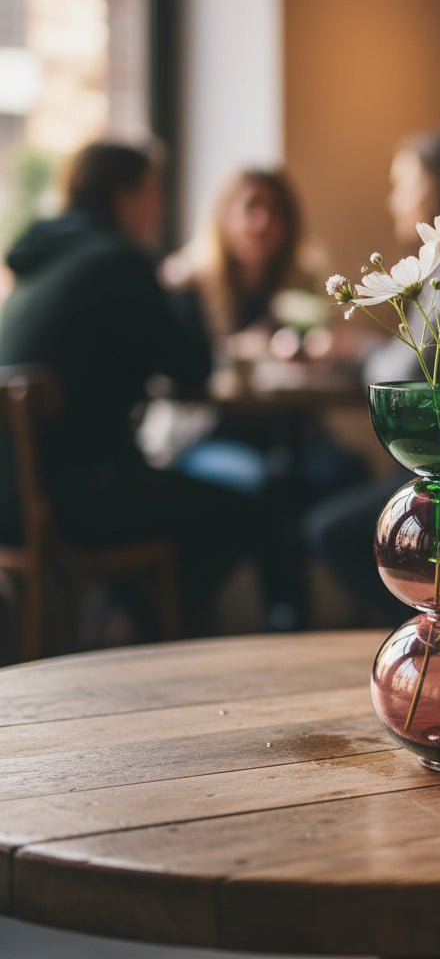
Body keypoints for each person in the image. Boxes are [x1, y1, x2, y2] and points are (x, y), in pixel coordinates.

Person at [0, 140, 255, 635]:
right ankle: (156, 640)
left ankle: (131, 624)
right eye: (155, 193)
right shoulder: (118, 262)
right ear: (127, 196)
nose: (159, 210)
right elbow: (191, 368)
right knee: (242, 511)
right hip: (76, 501)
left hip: (12, 498)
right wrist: (184, 290)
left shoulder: (36, 265)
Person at [307, 131, 440, 624]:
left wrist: (357, 351)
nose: (393, 199)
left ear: (437, 190)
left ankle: (435, 627)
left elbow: (411, 373)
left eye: (402, 184)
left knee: (330, 531)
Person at [160, 167, 370, 630]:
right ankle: (285, 619)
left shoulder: (295, 286)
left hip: (291, 432)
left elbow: (331, 346)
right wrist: (238, 350)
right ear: (224, 217)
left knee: (344, 471)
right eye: (251, 208)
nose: (263, 222)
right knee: (273, 484)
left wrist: (323, 348)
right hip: (209, 435)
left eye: (275, 211)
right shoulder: (191, 286)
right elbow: (181, 375)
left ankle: (349, 622)